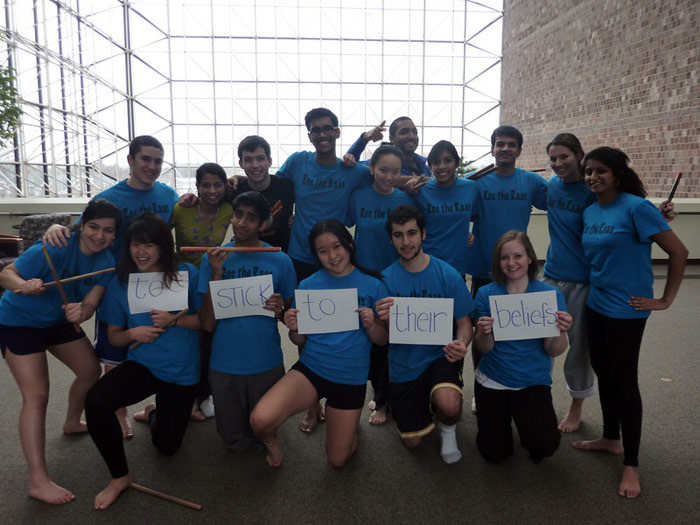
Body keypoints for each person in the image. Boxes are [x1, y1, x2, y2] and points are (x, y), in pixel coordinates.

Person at [44, 135, 179, 439]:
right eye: (145, 159)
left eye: (158, 161)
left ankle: (162, 405)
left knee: (163, 342)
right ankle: (119, 412)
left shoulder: (170, 195)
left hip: (157, 283)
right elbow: (81, 230)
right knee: (114, 352)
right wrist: (55, 227)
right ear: (130, 160)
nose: (152, 166)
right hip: (116, 285)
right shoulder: (110, 197)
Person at [572, 147, 687, 499]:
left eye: (600, 171)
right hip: (597, 304)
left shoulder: (636, 207)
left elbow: (678, 252)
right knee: (604, 373)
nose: (593, 177)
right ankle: (610, 438)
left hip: (628, 309)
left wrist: (665, 300)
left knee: (624, 382)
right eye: (588, 171)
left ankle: (632, 465)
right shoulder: (591, 210)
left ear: (618, 173)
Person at [544, 134, 676, 433]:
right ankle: (536, 397)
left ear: (578, 155)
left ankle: (576, 406)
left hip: (585, 282)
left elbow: (622, 212)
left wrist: (659, 215)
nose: (558, 163)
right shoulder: (551, 185)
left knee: (580, 351)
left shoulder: (593, 191)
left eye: (564, 156)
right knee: (542, 342)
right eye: (553, 158)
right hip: (550, 277)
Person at [0, 199, 120, 504]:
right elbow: (6, 276)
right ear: (82, 225)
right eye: (94, 227)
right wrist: (25, 284)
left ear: (115, 235)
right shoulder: (57, 245)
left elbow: (91, 304)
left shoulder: (107, 262)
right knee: (37, 395)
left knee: (90, 371)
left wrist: (81, 312)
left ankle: (70, 421)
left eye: (108, 231)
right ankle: (38, 481)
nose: (99, 235)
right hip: (19, 321)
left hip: (57, 320)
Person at [84, 213, 202, 510]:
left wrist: (175, 321)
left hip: (182, 373)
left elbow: (205, 322)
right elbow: (114, 336)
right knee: (97, 401)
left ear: (163, 246)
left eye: (149, 245)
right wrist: (132, 332)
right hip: (144, 366)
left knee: (166, 447)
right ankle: (119, 477)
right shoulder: (120, 282)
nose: (141, 252)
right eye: (136, 244)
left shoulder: (187, 273)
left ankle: (153, 412)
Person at [250, 219, 388, 468]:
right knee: (260, 419)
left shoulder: (373, 285)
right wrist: (294, 327)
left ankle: (348, 428)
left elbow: (381, 340)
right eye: (323, 251)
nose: (333, 256)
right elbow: (298, 340)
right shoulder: (309, 285)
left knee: (337, 460)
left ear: (349, 244)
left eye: (337, 246)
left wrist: (372, 325)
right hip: (312, 370)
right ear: (315, 254)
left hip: (350, 378)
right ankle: (273, 445)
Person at [375, 206, 474, 464]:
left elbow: (465, 324)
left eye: (412, 233)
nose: (406, 242)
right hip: (404, 364)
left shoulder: (447, 274)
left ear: (423, 234)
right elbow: (382, 339)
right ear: (390, 239)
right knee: (412, 442)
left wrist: (462, 344)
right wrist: (383, 321)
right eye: (398, 235)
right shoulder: (384, 280)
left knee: (450, 406)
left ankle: (448, 427)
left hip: (439, 357)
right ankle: (421, 405)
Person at [199, 192, 296, 452]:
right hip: (224, 363)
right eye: (238, 214)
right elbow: (207, 324)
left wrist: (280, 310)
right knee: (234, 440)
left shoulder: (280, 260)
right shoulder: (212, 260)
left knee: (263, 430)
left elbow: (291, 317)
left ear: (263, 224)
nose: (242, 222)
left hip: (266, 361)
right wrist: (216, 273)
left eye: (251, 218)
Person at [466, 125, 548, 412]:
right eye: (500, 144)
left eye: (511, 145)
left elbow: (567, 201)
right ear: (492, 148)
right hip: (482, 270)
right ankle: (481, 386)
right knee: (483, 331)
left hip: (517, 269)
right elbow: (451, 208)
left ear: (519, 150)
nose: (505, 149)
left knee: (518, 331)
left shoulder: (532, 183)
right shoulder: (476, 183)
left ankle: (519, 386)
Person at [473, 230, 572, 464]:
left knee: (545, 446)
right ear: (498, 262)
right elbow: (484, 349)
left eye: (517, 256)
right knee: (494, 454)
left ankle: (526, 426)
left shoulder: (549, 295)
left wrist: (562, 329)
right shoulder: (486, 294)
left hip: (532, 381)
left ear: (529, 258)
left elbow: (554, 350)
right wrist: (483, 332)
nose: (511, 263)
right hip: (493, 380)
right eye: (504, 257)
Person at [345, 145, 413, 424]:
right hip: (364, 278)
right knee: (370, 339)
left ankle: (385, 400)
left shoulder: (406, 199)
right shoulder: (358, 195)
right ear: (371, 168)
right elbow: (342, 225)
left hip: (396, 279)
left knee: (393, 342)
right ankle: (378, 391)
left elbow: (418, 234)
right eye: (383, 169)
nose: (388, 176)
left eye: (395, 171)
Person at [276, 107, 373, 283]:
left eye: (327, 128)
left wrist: (417, 183)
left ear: (337, 132)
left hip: (336, 258)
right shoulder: (297, 161)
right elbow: (270, 186)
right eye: (316, 130)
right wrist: (239, 179)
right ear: (309, 136)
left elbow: (385, 179)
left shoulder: (355, 171)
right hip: (299, 257)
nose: (322, 135)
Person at [172, 162, 233, 421]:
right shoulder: (180, 208)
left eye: (217, 184)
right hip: (182, 284)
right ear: (196, 187)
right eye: (205, 185)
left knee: (210, 341)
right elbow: (157, 235)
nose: (211, 190)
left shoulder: (231, 210)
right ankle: (182, 396)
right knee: (184, 342)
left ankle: (204, 396)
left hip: (215, 282)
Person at [177, 136, 295, 252]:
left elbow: (309, 201)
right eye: (248, 160)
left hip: (279, 256)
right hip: (242, 257)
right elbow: (210, 194)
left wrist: (297, 218)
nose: (255, 165)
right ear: (241, 163)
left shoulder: (287, 187)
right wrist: (192, 197)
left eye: (260, 159)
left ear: (269, 161)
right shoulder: (233, 190)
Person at [413, 140, 478, 277]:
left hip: (458, 267)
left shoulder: (471, 188)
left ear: (456, 163)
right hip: (427, 265)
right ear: (430, 166)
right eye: (436, 162)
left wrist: (468, 234)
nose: (442, 166)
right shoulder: (421, 191)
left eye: (447, 161)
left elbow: (473, 217)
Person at [345, 117, 432, 189]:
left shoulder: (425, 168)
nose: (411, 136)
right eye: (404, 132)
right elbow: (349, 166)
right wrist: (364, 139)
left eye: (414, 132)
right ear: (391, 138)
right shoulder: (380, 164)